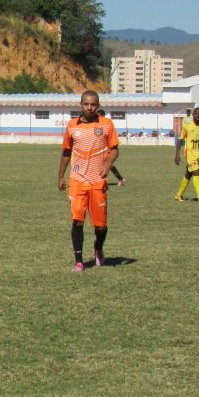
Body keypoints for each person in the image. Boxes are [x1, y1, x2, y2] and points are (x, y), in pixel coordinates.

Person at [57, 90, 119, 271]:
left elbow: (115, 149)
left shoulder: (106, 125)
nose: (89, 107)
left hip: (98, 181)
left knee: (101, 226)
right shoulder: (71, 126)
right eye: (86, 104)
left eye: (93, 104)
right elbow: (66, 152)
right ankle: (79, 261)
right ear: (81, 105)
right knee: (77, 220)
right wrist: (61, 175)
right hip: (77, 180)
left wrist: (108, 163)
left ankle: (98, 247)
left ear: (97, 106)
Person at [175, 106, 199, 202]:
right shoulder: (187, 126)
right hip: (189, 154)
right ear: (193, 115)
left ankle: (178, 195)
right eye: (195, 113)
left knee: (188, 174)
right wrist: (177, 155)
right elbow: (180, 140)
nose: (197, 115)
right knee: (196, 171)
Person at [96, 109, 125, 185]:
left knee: (108, 164)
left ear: (102, 115)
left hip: (107, 149)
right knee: (108, 165)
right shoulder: (99, 123)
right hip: (102, 149)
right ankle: (121, 180)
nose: (98, 117)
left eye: (98, 116)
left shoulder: (107, 123)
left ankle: (120, 180)